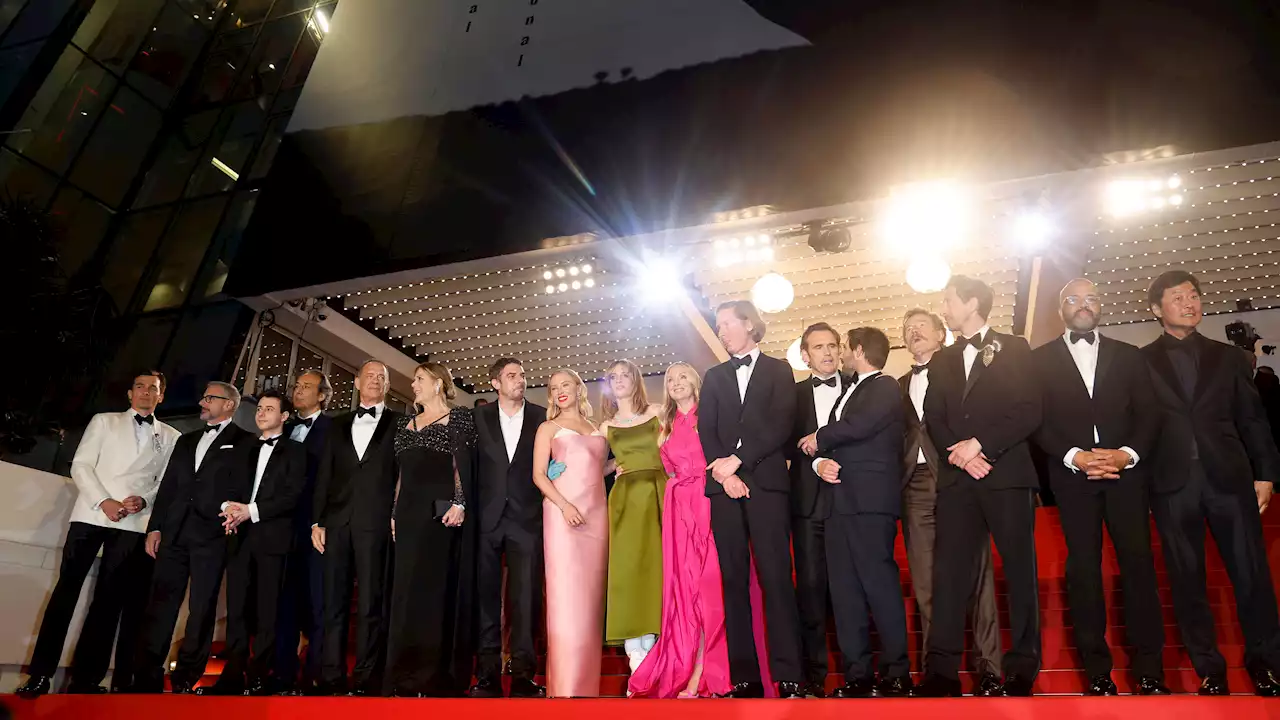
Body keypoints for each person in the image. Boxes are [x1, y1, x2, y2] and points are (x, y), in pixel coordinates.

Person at [1141, 270, 1280, 696]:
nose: (1189, 302)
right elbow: (1136, 428)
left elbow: (1253, 420)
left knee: (1252, 574)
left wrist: (1266, 473)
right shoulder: (1138, 363)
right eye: (1178, 297)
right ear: (1156, 310)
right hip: (1171, 484)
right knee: (1186, 580)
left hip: (1229, 478)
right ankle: (1209, 668)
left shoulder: (1229, 358)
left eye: (1194, 295)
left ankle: (1266, 664)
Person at [1032, 279, 1168, 696]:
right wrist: (1076, 456)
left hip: (1127, 475)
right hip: (1073, 478)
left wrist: (1126, 454)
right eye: (1073, 299)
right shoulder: (1038, 361)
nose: (1083, 306)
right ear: (1061, 309)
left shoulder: (1129, 356)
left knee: (1139, 567)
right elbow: (1037, 420)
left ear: (1100, 306)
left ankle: (1149, 671)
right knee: (1084, 571)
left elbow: (1149, 412)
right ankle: (1097, 672)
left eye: (1091, 298)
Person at [16, 372, 180, 698]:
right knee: (65, 595)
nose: (146, 392)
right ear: (130, 393)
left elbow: (167, 481)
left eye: (153, 389)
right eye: (140, 387)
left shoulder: (172, 435)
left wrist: (145, 499)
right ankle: (39, 676)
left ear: (161, 396)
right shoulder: (104, 421)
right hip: (92, 514)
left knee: (108, 603)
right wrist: (104, 501)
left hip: (134, 524)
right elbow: (81, 464)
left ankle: (86, 681)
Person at [919, 276, 1041, 698]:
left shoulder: (1016, 348)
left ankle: (1022, 668)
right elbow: (932, 416)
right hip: (957, 479)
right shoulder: (942, 359)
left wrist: (981, 445)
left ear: (972, 303)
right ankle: (942, 673)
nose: (944, 307)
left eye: (948, 300)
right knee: (949, 575)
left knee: (1020, 572)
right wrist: (961, 455)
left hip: (1006, 475)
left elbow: (1029, 410)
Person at [629, 363, 776, 698]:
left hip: (711, 504)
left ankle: (709, 671)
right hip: (679, 510)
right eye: (669, 379)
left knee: (712, 589)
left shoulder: (712, 417)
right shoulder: (664, 425)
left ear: (696, 382)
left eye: (683, 376)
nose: (676, 383)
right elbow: (665, 470)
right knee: (686, 593)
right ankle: (688, 667)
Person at [700, 300, 804, 698]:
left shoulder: (779, 370)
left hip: (767, 484)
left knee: (777, 577)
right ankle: (744, 677)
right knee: (733, 580)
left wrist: (739, 461)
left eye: (727, 323)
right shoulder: (713, 377)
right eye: (718, 325)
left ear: (749, 324)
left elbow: (781, 423)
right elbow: (706, 430)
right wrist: (725, 475)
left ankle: (789, 674)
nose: (722, 331)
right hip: (723, 489)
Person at [897, 309, 1002, 694]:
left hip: (960, 480)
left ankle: (989, 668)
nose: (914, 332)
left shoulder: (964, 370)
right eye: (908, 330)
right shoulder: (898, 383)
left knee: (977, 577)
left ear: (942, 333)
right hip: (915, 486)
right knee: (925, 582)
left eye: (922, 326)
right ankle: (938, 672)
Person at [804, 328, 911, 697]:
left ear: (860, 351)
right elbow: (844, 437)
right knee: (845, 591)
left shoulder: (884, 386)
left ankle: (897, 671)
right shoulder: (850, 390)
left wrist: (820, 437)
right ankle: (858, 674)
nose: (840, 353)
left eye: (845, 347)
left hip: (870, 502)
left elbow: (859, 427)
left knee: (879, 587)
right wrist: (822, 463)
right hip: (838, 502)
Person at [132, 382, 254, 693]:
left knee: (202, 607)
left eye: (210, 398)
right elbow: (169, 486)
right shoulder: (186, 441)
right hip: (173, 532)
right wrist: (155, 527)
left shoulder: (246, 442)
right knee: (159, 604)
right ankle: (146, 677)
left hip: (212, 534)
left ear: (229, 405)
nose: (202, 401)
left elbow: (243, 488)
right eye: (203, 396)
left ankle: (185, 677)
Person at [201, 390, 307, 696]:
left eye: (269, 409)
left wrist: (251, 511)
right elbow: (226, 485)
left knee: (267, 612)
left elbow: (292, 495)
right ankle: (232, 677)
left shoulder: (297, 452)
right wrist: (228, 509)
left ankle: (261, 676)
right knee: (236, 611)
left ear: (285, 417)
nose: (261, 413)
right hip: (239, 538)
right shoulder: (242, 447)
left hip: (274, 540)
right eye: (259, 408)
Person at [312, 360, 403, 696]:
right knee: (332, 602)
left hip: (376, 523)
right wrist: (317, 520)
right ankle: (331, 678)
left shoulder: (400, 422)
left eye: (382, 377)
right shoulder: (336, 425)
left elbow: (401, 477)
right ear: (356, 382)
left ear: (388, 385)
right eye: (370, 376)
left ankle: (366, 679)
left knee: (370, 603)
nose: (375, 381)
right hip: (336, 522)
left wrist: (396, 515)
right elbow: (325, 474)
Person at [386, 363, 478, 697]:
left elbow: (462, 464)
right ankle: (403, 676)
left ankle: (432, 677)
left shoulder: (461, 418)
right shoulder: (404, 423)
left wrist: (460, 501)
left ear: (438, 384)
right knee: (405, 593)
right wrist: (395, 513)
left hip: (441, 516)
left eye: (420, 379)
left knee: (434, 593)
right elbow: (401, 474)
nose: (413, 385)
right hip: (408, 516)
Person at [470, 358, 548, 698]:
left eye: (522, 375)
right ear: (495, 383)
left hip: (527, 518)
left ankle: (522, 675)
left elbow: (556, 460)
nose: (520, 380)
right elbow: (465, 468)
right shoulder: (477, 417)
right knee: (485, 599)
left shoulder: (542, 416)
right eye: (512, 376)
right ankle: (486, 676)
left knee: (526, 598)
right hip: (485, 520)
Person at [532, 369, 609, 698]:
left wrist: (617, 468)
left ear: (579, 389)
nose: (560, 391)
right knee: (566, 600)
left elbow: (594, 468)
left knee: (590, 604)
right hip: (563, 516)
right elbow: (538, 475)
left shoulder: (599, 428)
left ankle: (587, 685)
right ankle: (564, 687)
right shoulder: (548, 427)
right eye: (554, 388)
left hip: (597, 517)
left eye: (566, 385)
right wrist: (564, 506)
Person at [786, 322, 848, 697]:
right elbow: (783, 444)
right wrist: (813, 463)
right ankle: (813, 677)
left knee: (850, 588)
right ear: (805, 355)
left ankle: (858, 672)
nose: (826, 352)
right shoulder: (791, 396)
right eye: (818, 347)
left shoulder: (861, 385)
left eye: (832, 345)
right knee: (809, 589)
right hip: (807, 501)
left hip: (851, 499)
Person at [598, 359, 665, 671]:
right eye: (614, 377)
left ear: (636, 379)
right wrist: (614, 466)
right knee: (626, 570)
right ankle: (634, 653)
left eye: (626, 375)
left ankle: (654, 645)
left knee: (657, 568)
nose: (620, 380)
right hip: (625, 496)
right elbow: (592, 467)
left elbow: (674, 449)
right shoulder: (605, 426)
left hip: (659, 493)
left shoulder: (657, 412)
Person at [275, 369, 334, 694]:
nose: (298, 391)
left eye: (306, 387)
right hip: (279, 528)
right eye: (296, 386)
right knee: (282, 604)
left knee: (317, 602)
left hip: (314, 528)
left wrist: (320, 521)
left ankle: (314, 675)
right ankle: (281, 675)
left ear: (322, 395)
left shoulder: (332, 429)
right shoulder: (282, 428)